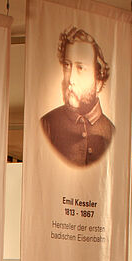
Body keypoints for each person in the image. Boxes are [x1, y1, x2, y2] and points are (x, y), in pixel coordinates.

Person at [40, 26, 114, 166]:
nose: (71, 79)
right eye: (67, 65)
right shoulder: (46, 125)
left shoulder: (112, 132)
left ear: (98, 79)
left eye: (81, 68)